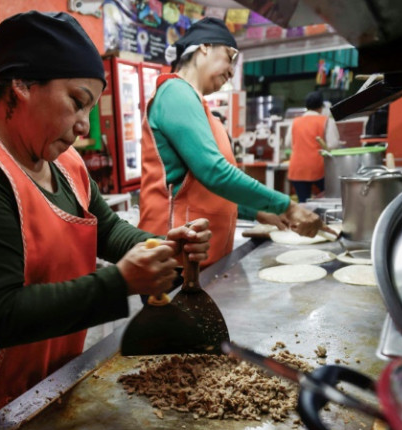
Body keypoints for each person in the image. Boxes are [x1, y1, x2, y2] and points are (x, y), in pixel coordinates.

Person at [0, 11, 212, 430]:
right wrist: (120, 282)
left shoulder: (64, 164)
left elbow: (109, 230)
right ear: (22, 86)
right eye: (76, 101)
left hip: (42, 376)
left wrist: (160, 247)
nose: (84, 125)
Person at [138, 18, 328, 268]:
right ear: (204, 47)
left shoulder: (201, 108)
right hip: (174, 256)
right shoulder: (175, 92)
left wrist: (257, 212)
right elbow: (214, 172)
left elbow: (206, 191)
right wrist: (288, 207)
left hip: (202, 255)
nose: (231, 71)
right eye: (229, 56)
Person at [285, 91, 341, 202]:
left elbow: (288, 144)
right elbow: (333, 144)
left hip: (297, 168)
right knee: (330, 199)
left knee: (303, 203)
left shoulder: (295, 122)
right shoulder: (326, 121)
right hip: (318, 168)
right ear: (321, 107)